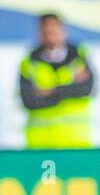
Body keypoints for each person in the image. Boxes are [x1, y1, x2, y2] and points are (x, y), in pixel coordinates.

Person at [20, 13, 94, 148]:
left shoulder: (78, 56)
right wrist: (68, 90)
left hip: (76, 143)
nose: (50, 35)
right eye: (46, 31)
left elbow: (86, 89)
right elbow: (29, 101)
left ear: (63, 31)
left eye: (54, 30)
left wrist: (51, 91)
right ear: (40, 33)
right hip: (40, 145)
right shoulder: (29, 62)